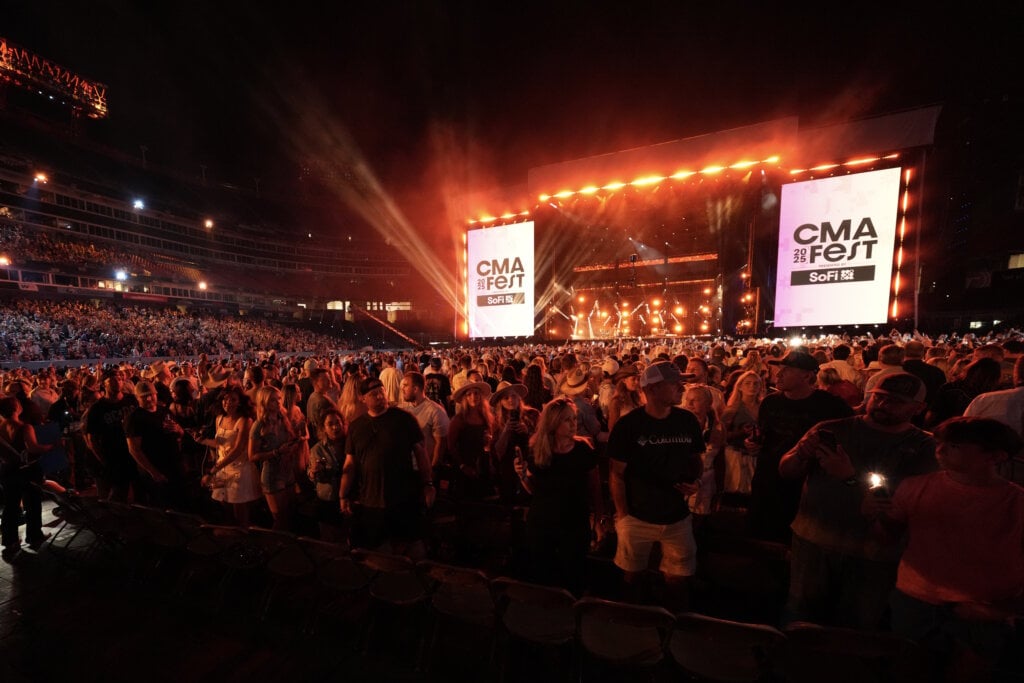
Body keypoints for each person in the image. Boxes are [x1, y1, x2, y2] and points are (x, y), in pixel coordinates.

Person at [778, 372, 937, 629]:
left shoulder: (925, 447)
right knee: (801, 616)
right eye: (880, 397)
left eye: (896, 401)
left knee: (856, 627)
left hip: (873, 555)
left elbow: (903, 503)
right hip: (814, 541)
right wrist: (800, 456)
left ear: (918, 408)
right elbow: (786, 470)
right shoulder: (832, 428)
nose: (884, 405)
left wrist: (850, 478)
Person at [881, 417, 1024, 680]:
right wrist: (877, 516)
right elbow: (888, 538)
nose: (941, 450)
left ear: (995, 456)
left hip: (982, 610)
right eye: (940, 442)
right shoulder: (916, 486)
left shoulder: (1015, 503)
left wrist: (1003, 610)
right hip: (915, 601)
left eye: (954, 445)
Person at [608, 361, 705, 610]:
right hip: (638, 516)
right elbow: (616, 474)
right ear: (651, 389)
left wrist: (696, 482)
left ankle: (672, 626)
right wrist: (623, 516)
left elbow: (696, 459)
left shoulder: (687, 421)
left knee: (679, 579)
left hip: (677, 517)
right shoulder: (628, 426)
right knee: (632, 577)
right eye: (675, 384)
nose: (682, 388)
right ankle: (632, 626)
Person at [748, 350, 853, 542]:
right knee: (764, 538)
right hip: (769, 481)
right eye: (778, 369)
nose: (777, 374)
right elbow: (762, 435)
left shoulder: (830, 405)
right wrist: (752, 444)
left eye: (786, 370)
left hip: (806, 486)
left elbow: (849, 439)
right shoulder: (770, 402)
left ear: (807, 376)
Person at [515, 397, 604, 595]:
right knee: (542, 571)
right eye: (567, 420)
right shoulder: (538, 449)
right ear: (554, 423)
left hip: (574, 521)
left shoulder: (583, 449)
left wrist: (598, 519)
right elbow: (532, 490)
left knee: (573, 572)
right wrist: (521, 475)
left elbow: (595, 488)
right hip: (542, 520)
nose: (574, 424)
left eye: (574, 419)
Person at [339, 377, 434, 558]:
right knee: (378, 549)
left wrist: (428, 484)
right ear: (362, 399)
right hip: (371, 500)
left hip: (403, 497)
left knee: (410, 545)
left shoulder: (404, 419)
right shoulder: (356, 427)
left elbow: (421, 454)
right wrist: (343, 494)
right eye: (373, 394)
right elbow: (350, 464)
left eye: (381, 391)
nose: (380, 396)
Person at [197, 386, 260, 526]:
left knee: (240, 513)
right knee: (225, 510)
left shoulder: (244, 421)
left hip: (239, 470)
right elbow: (220, 445)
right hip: (222, 469)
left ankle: (246, 541)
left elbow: (237, 449)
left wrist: (213, 471)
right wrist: (203, 441)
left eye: (233, 399)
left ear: (240, 402)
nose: (228, 403)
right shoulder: (219, 418)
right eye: (225, 399)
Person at [1, 396, 53, 560]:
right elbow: (33, 448)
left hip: (8, 472)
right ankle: (34, 535)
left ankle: (10, 542)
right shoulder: (24, 427)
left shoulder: (1, 427)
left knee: (10, 507)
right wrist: (50, 447)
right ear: (16, 407)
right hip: (27, 471)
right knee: (32, 502)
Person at [125, 380, 187, 509]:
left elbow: (181, 434)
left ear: (156, 394)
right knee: (161, 506)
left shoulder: (164, 411)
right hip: (156, 470)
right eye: (144, 396)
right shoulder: (134, 418)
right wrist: (154, 473)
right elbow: (134, 449)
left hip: (174, 466)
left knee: (180, 502)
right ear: (137, 398)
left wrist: (178, 429)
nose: (149, 398)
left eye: (151, 394)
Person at [249, 385, 301, 530]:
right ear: (264, 402)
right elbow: (252, 456)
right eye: (273, 400)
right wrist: (276, 452)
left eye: (279, 399)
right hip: (272, 474)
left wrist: (295, 443)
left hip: (287, 470)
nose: (278, 403)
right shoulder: (259, 425)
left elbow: (290, 439)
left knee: (291, 513)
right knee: (280, 520)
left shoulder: (282, 417)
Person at [82, 369, 139, 501]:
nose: (117, 382)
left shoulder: (131, 400)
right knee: (114, 496)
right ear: (104, 384)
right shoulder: (97, 408)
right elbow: (92, 439)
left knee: (137, 492)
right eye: (112, 380)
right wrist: (103, 461)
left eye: (119, 379)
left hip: (133, 454)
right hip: (112, 456)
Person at [489, 381, 538, 502]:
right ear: (500, 401)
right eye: (506, 397)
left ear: (519, 397)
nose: (511, 400)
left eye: (514, 396)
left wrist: (528, 432)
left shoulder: (532, 414)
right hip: (507, 469)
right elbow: (496, 451)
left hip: (529, 464)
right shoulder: (495, 421)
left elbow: (541, 440)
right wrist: (505, 431)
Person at [681, 384, 725, 516]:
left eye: (696, 400)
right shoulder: (680, 425)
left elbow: (720, 459)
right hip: (685, 481)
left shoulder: (717, 428)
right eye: (688, 400)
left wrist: (720, 489)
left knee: (701, 516)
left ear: (708, 404)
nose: (690, 403)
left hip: (707, 479)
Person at [447, 380, 494, 500]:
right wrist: (463, 466)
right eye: (469, 394)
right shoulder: (459, 420)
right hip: (465, 466)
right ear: (465, 398)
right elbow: (451, 446)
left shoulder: (486, 417)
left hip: (483, 465)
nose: (473, 397)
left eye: (476, 393)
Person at [307, 408, 347, 543]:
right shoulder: (318, 449)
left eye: (338, 422)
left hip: (349, 498)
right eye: (330, 424)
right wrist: (314, 472)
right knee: (330, 540)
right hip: (328, 500)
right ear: (323, 428)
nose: (335, 427)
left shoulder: (350, 444)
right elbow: (314, 477)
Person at [720, 370, 763, 495]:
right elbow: (721, 436)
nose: (752, 387)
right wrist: (740, 432)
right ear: (740, 386)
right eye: (748, 383)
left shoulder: (763, 407)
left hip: (756, 456)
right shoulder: (732, 409)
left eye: (756, 383)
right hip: (736, 456)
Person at [606, 363, 643, 433]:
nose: (637, 382)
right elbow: (612, 427)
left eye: (638, 379)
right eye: (633, 379)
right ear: (624, 380)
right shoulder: (617, 401)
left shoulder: (636, 397)